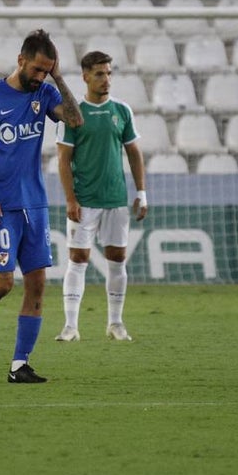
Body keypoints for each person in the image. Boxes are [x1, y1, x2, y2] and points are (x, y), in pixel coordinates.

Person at [0, 29, 83, 383]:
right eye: (38, 70)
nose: (40, 77)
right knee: (2, 284)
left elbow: (75, 120)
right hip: (0, 206)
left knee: (38, 284)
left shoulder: (45, 92)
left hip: (36, 204)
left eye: (47, 71)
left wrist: (58, 77)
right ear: (20, 61)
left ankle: (19, 366)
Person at [54, 51, 147, 343]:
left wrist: (141, 193)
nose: (106, 79)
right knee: (77, 258)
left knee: (117, 258)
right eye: (99, 74)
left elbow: (134, 152)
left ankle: (115, 323)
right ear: (85, 77)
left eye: (108, 73)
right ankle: (71, 326)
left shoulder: (122, 111)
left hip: (116, 199)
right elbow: (63, 159)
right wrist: (70, 199)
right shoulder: (72, 113)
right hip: (84, 199)